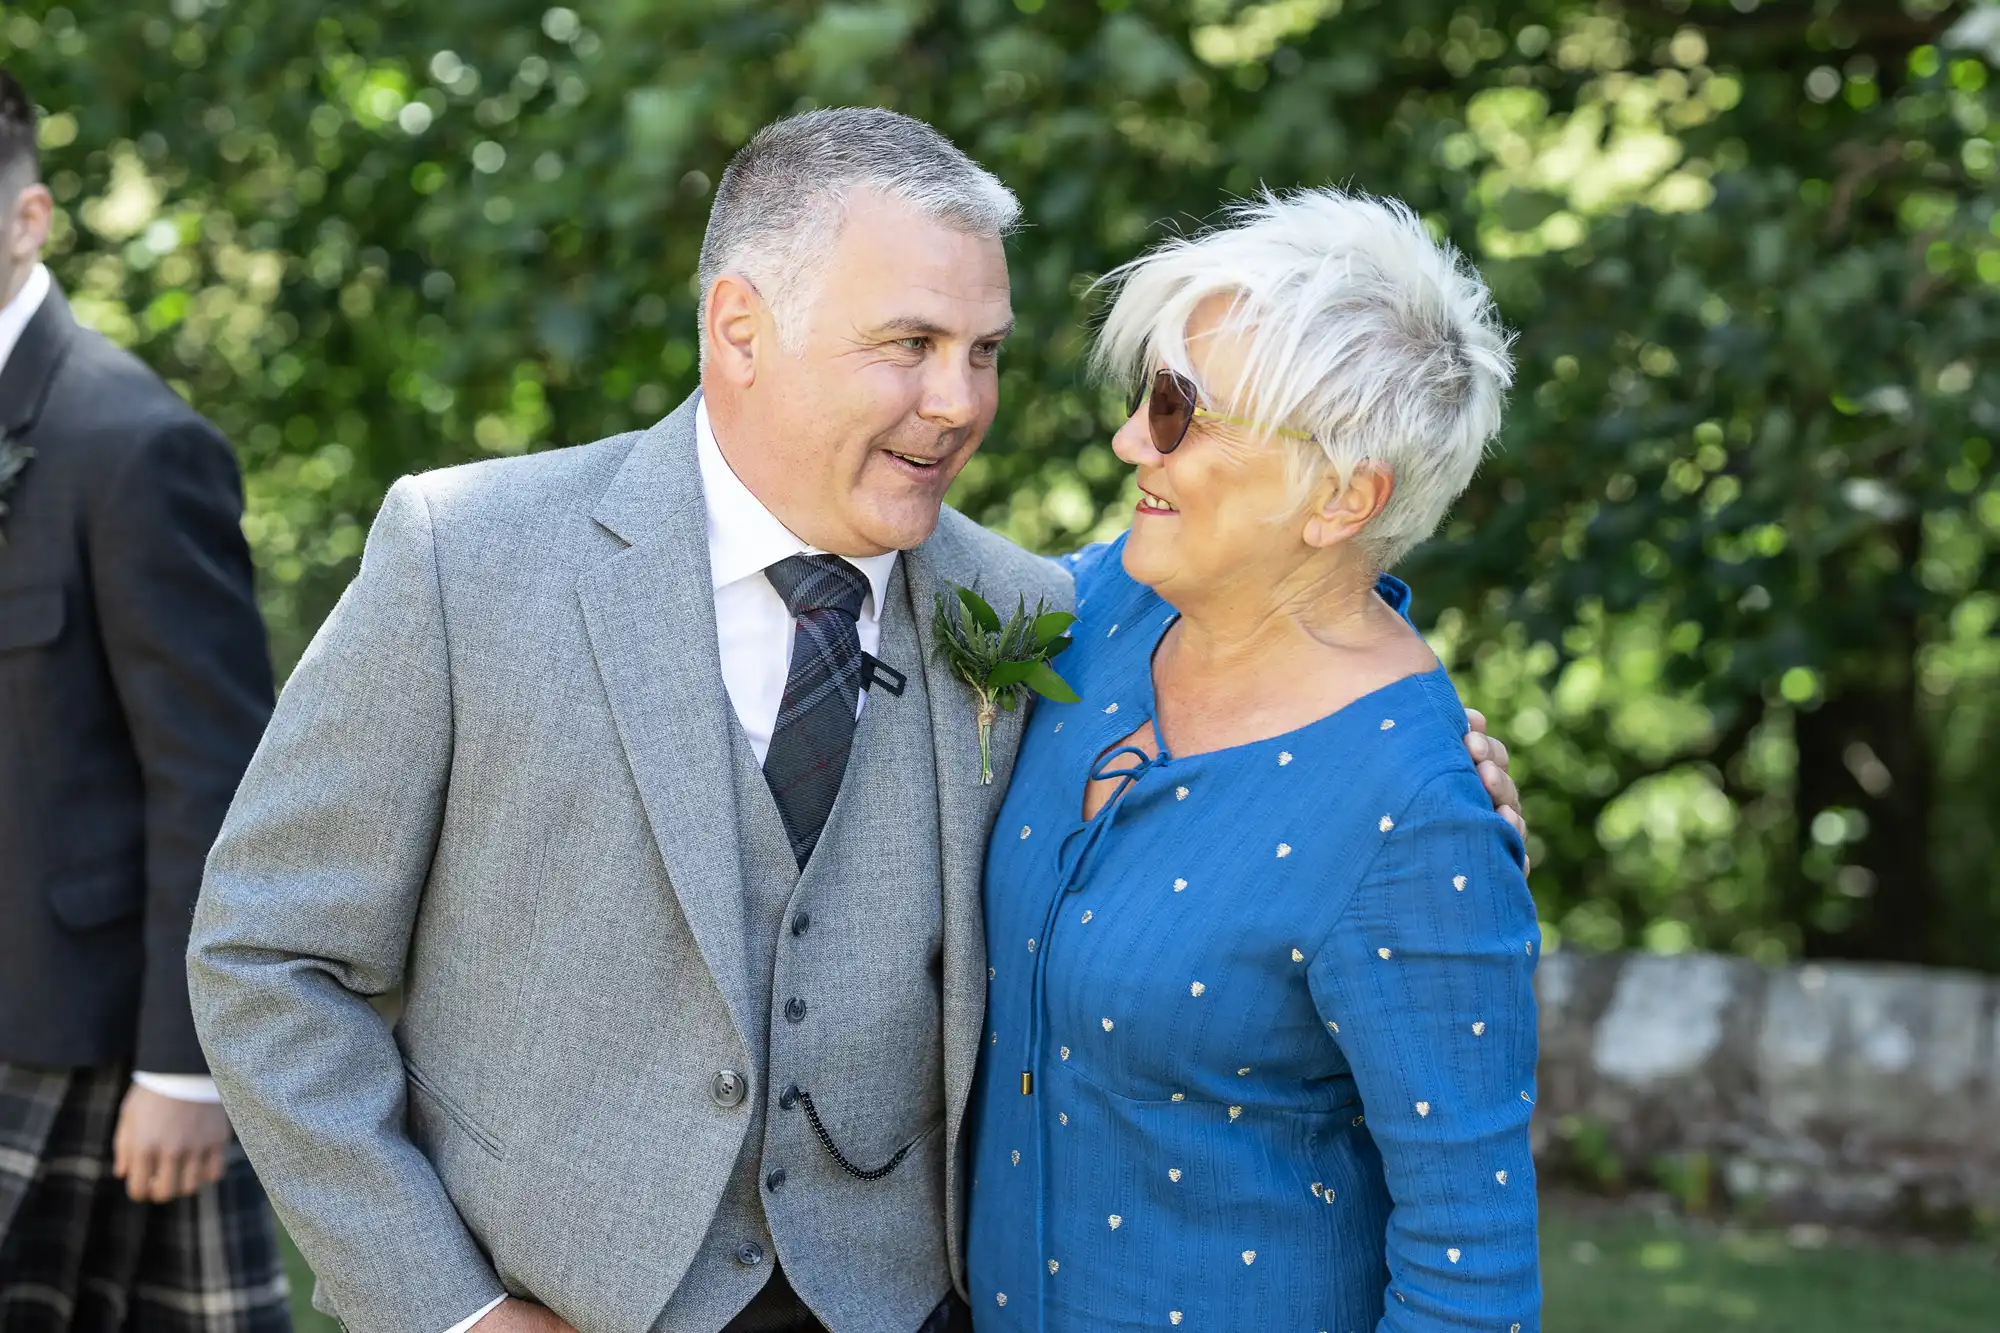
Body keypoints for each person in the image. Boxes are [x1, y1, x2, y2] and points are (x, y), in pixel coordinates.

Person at [188, 109, 1523, 1333]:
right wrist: (449, 1311)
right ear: (741, 328)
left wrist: (1431, 769)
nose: (960, 405)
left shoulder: (1026, 610)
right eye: (909, 346)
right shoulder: (467, 558)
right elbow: (269, 955)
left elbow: (1300, 647)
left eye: (984, 352)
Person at [966, 190, 1542, 1331]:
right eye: (1144, 398)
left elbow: (1470, 1269)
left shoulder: (1418, 812)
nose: (1132, 437)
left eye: (1181, 410)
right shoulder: (1093, 611)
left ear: (1340, 498)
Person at [0, 68, 290, 1330]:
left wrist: (187, 1065)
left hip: (72, 1048)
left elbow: (214, 778)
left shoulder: (132, 442)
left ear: (29, 218)